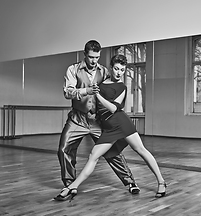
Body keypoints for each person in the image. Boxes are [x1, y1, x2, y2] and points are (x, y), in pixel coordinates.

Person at [57, 54, 167, 201]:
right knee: (93, 156)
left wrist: (97, 95)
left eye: (122, 70)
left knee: (141, 150)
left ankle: (161, 182)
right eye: (116, 68)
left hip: (122, 124)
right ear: (111, 67)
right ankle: (72, 187)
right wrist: (91, 92)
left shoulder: (122, 87)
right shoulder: (101, 83)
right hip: (107, 128)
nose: (118, 72)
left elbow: (114, 108)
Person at [54, 40, 139, 201]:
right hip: (77, 118)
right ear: (85, 54)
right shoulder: (73, 70)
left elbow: (114, 89)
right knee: (64, 149)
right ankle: (70, 185)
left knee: (111, 150)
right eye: (91, 57)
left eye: (97, 57)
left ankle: (130, 182)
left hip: (97, 120)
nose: (94, 61)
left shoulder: (105, 71)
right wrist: (86, 90)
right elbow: (67, 92)